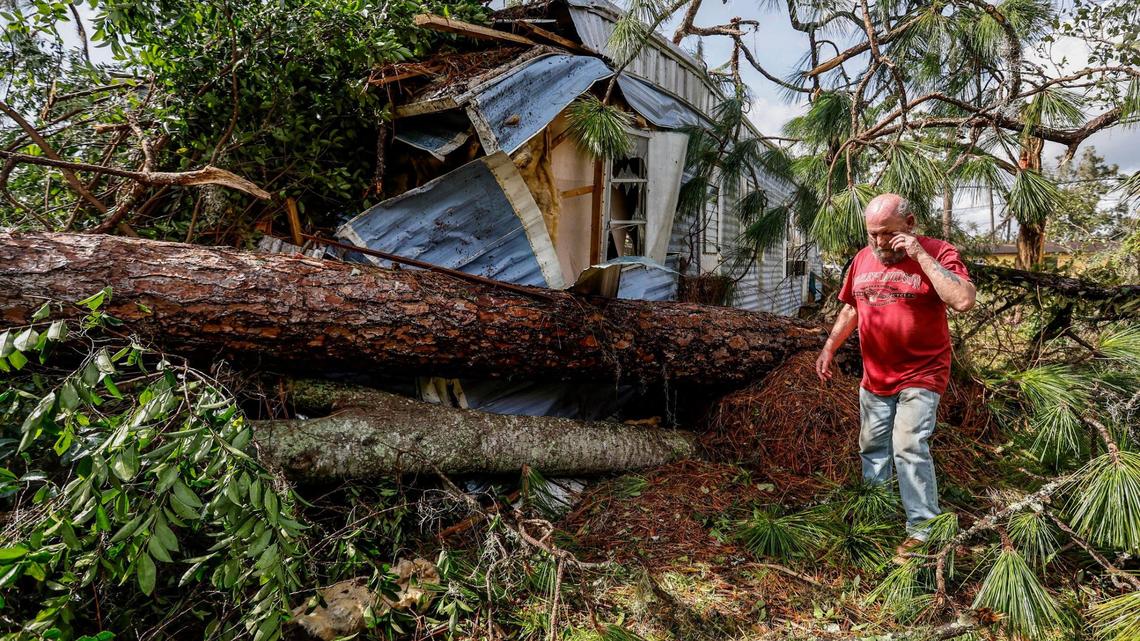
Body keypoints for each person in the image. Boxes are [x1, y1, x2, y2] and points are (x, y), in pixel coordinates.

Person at [814, 193, 976, 562]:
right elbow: (852, 306)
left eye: (886, 233)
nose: (879, 242)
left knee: (908, 444)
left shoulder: (937, 251)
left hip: (923, 371)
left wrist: (920, 255)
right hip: (876, 375)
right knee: (871, 446)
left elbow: (964, 300)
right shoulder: (862, 259)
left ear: (910, 223)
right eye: (872, 234)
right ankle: (878, 512)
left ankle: (923, 529)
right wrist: (829, 347)